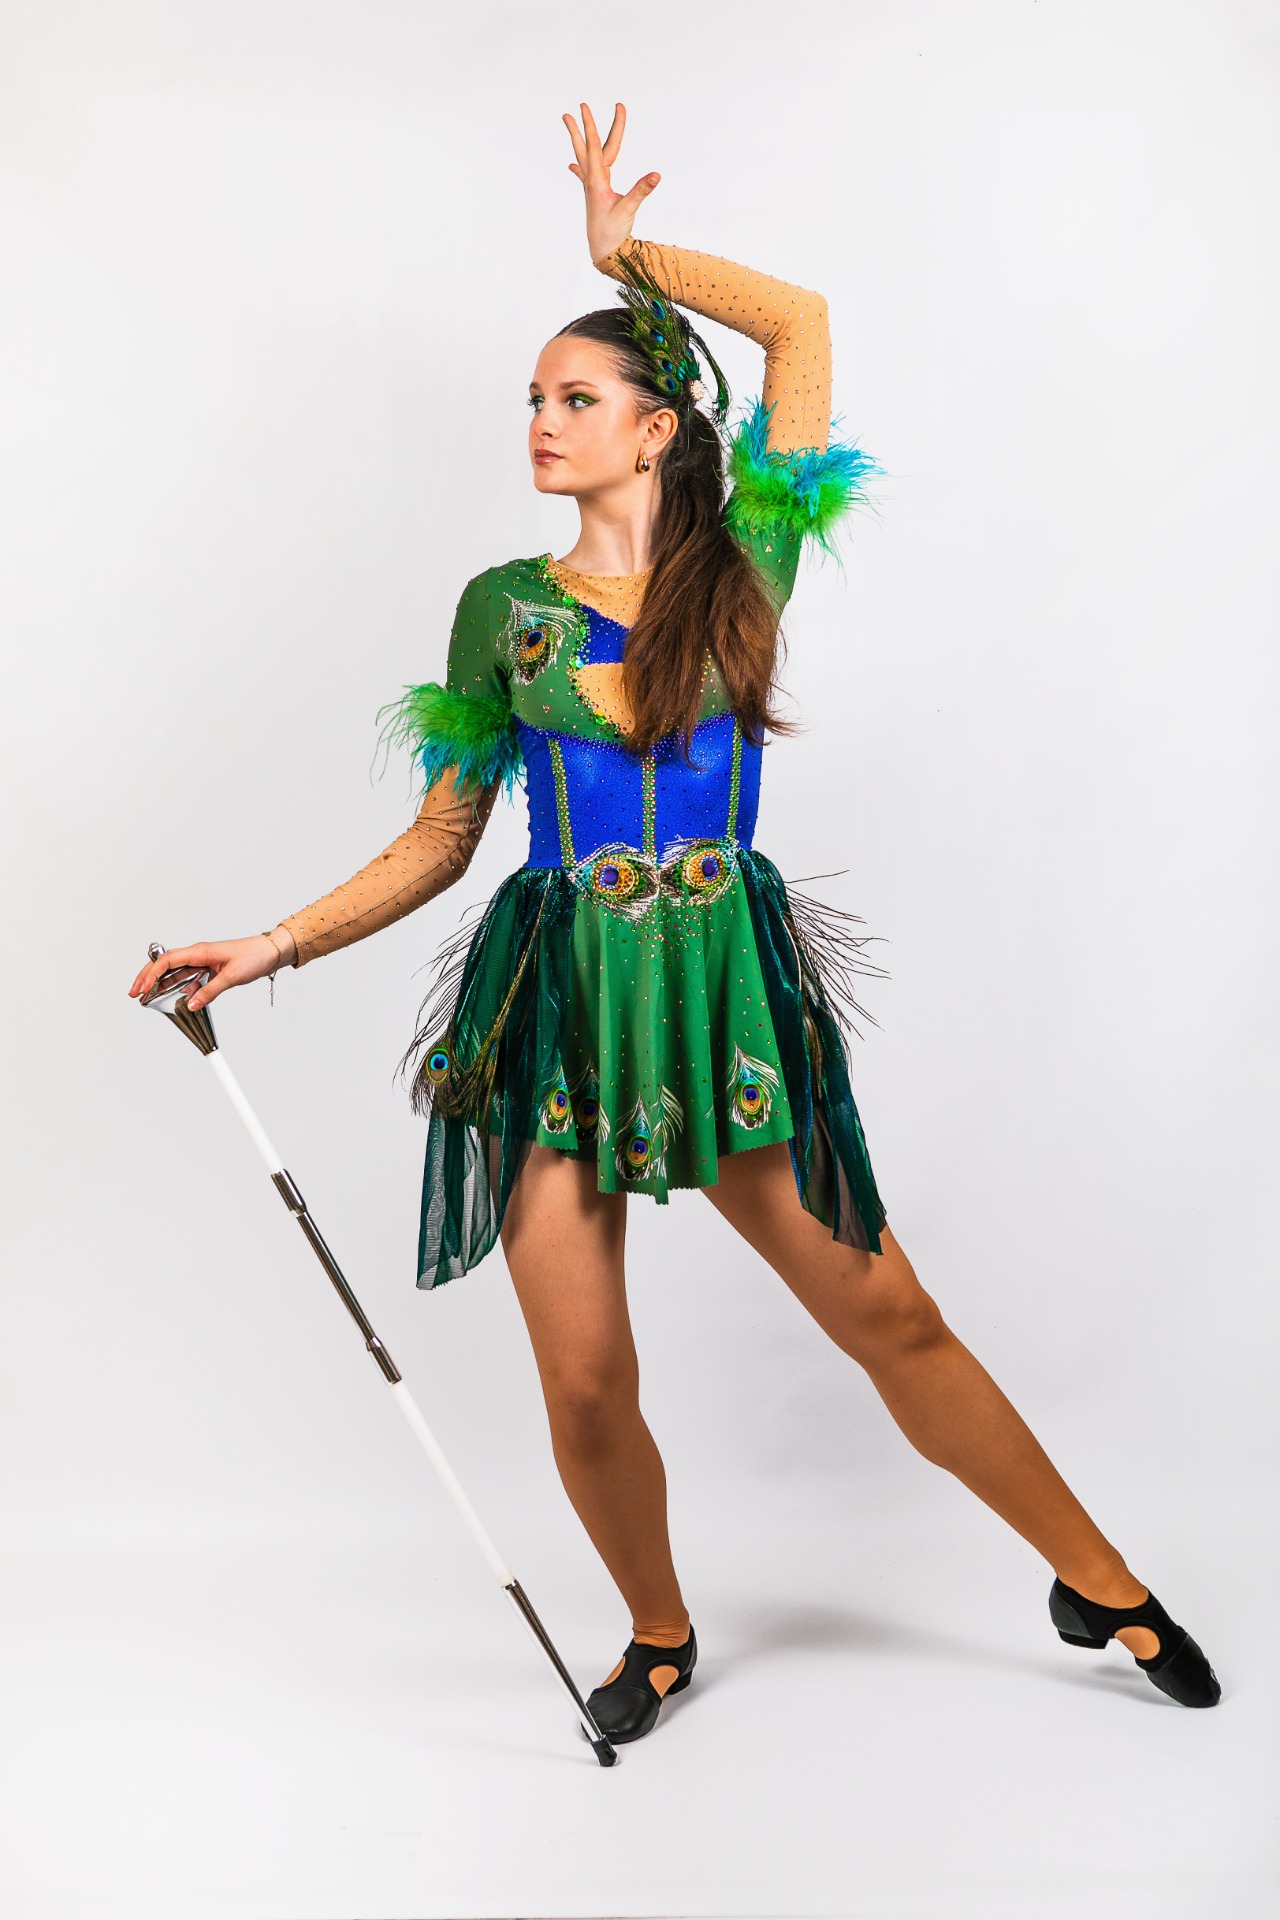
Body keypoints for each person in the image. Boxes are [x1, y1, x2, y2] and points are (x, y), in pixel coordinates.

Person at [128, 102, 1221, 1744]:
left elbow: (799, 327)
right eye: (531, 401)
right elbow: (445, 836)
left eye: (575, 398)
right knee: (582, 1376)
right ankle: (656, 1631)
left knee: (889, 1313)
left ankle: (1102, 1582)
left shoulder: (745, 561)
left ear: (657, 430)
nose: (540, 424)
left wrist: (625, 257)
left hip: (722, 989)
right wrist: (270, 943)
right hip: (561, 997)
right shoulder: (504, 610)